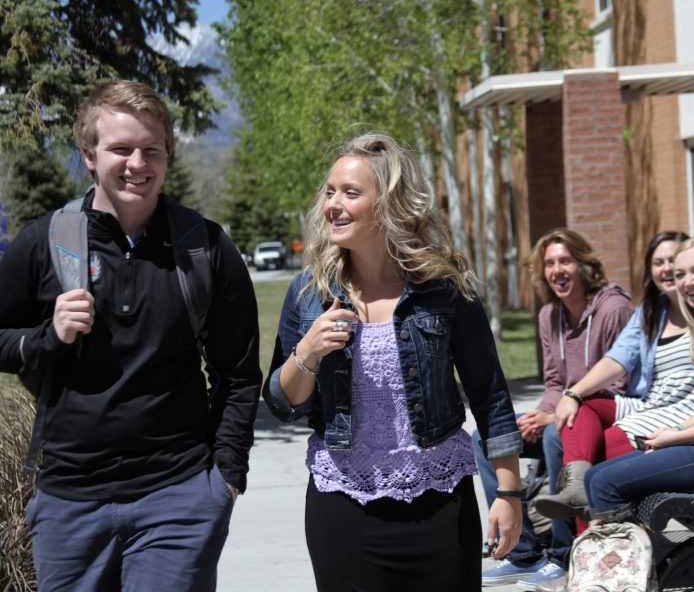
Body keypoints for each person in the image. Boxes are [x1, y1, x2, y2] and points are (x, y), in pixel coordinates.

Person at [0, 80, 262, 591]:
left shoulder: (203, 246)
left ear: (166, 156)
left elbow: (239, 373)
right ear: (89, 156)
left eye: (152, 150)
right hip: (69, 502)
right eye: (121, 149)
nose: (137, 163)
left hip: (179, 498)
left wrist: (225, 478)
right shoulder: (45, 242)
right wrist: (47, 338)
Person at [263, 132, 523, 591]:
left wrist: (508, 491)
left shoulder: (444, 288)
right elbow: (283, 403)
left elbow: (489, 392)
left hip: (440, 506)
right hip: (343, 508)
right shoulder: (309, 293)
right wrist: (306, 353)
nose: (333, 205)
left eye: (350, 193)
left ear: (389, 204)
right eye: (329, 192)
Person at [534, 231, 694, 524]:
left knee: (602, 482)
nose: (688, 281)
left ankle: (616, 563)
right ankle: (605, 557)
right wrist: (673, 431)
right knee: (595, 475)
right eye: (681, 273)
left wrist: (676, 436)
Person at [477, 227, 633, 590]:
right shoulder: (550, 315)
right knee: (489, 438)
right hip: (563, 414)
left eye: (566, 260)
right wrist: (540, 414)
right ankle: (524, 554)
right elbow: (552, 382)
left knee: (554, 433)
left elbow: (623, 382)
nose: (557, 270)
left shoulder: (614, 309)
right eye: (550, 264)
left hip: (606, 418)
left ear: (584, 264)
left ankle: (564, 554)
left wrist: (554, 417)